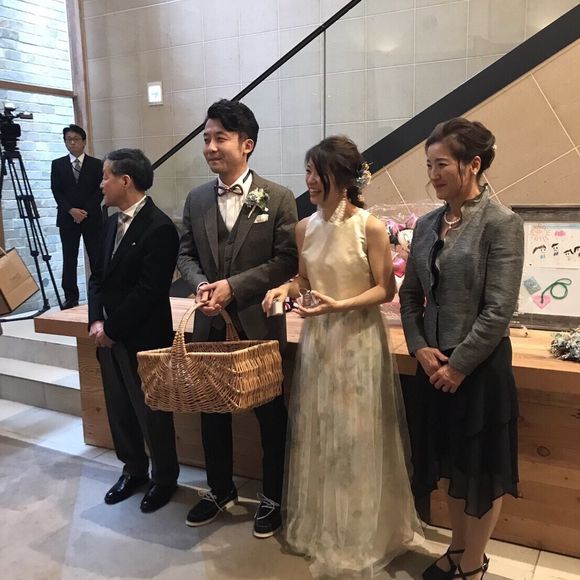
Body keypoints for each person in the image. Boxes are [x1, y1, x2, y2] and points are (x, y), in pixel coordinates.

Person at [263, 136, 421, 579]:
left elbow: (385, 289)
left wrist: (340, 306)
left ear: (344, 177)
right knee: (320, 428)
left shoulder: (369, 227)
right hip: (320, 340)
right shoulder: (304, 227)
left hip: (358, 340)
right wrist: (284, 288)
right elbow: (304, 278)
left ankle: (361, 529)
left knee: (357, 433)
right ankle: (324, 525)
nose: (310, 180)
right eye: (308, 171)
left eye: (319, 172)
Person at [399, 118, 524, 580]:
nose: (433, 174)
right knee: (449, 465)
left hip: (479, 369)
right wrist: (419, 348)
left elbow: (498, 310)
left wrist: (459, 366)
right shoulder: (426, 225)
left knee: (480, 471)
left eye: (442, 165)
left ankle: (473, 564)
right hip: (433, 364)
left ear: (473, 164)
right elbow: (410, 297)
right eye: (429, 166)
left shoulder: (501, 223)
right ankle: (455, 548)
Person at [177, 99, 298, 538]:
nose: (210, 147)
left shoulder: (278, 197)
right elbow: (185, 254)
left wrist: (234, 286)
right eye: (206, 138)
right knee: (211, 411)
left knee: (270, 415)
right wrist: (201, 285)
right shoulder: (196, 199)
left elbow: (287, 260)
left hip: (259, 326)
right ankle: (219, 488)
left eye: (220, 138)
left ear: (246, 144)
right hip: (208, 324)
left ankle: (273, 496)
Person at [88, 148, 180, 513]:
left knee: (152, 412)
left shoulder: (160, 227)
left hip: (144, 337)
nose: (101, 184)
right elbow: (97, 277)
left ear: (125, 181)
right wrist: (96, 321)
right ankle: (133, 469)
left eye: (106, 176)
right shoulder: (109, 223)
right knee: (119, 408)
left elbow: (149, 290)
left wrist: (111, 327)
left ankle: (164, 477)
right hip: (108, 336)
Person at [51, 124, 104, 309]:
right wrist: (71, 210)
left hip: (92, 217)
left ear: (84, 141)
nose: (72, 143)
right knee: (69, 258)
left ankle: (100, 294)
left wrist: (84, 211)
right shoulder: (58, 164)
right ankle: (71, 297)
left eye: (75, 139)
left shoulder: (97, 164)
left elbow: (100, 190)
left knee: (96, 257)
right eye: (68, 140)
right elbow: (56, 191)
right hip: (67, 218)